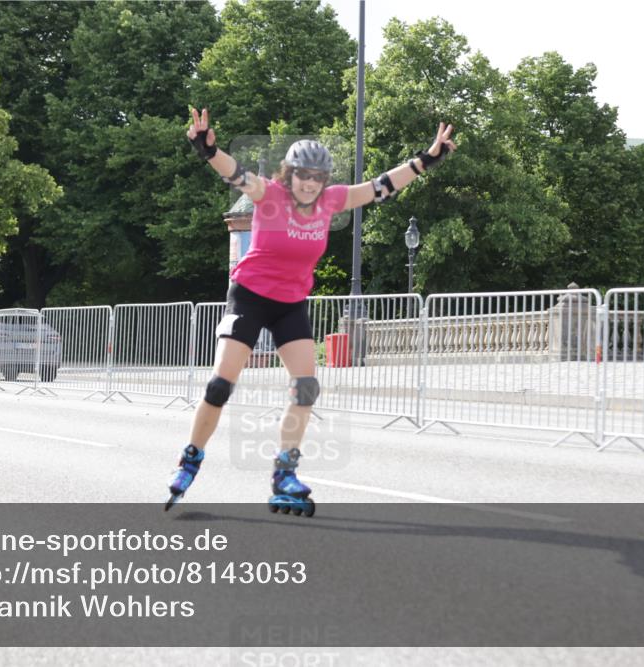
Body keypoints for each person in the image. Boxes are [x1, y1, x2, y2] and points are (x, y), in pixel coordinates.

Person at [165, 107, 457, 514]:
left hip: (290, 304)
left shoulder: (331, 201)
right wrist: (208, 150)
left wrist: (425, 160)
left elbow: (380, 187)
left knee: (306, 386)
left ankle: (284, 472)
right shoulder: (269, 194)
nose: (310, 184)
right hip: (249, 295)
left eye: (318, 178)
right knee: (220, 385)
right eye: (303, 176)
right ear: (290, 174)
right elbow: (236, 174)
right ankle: (191, 459)